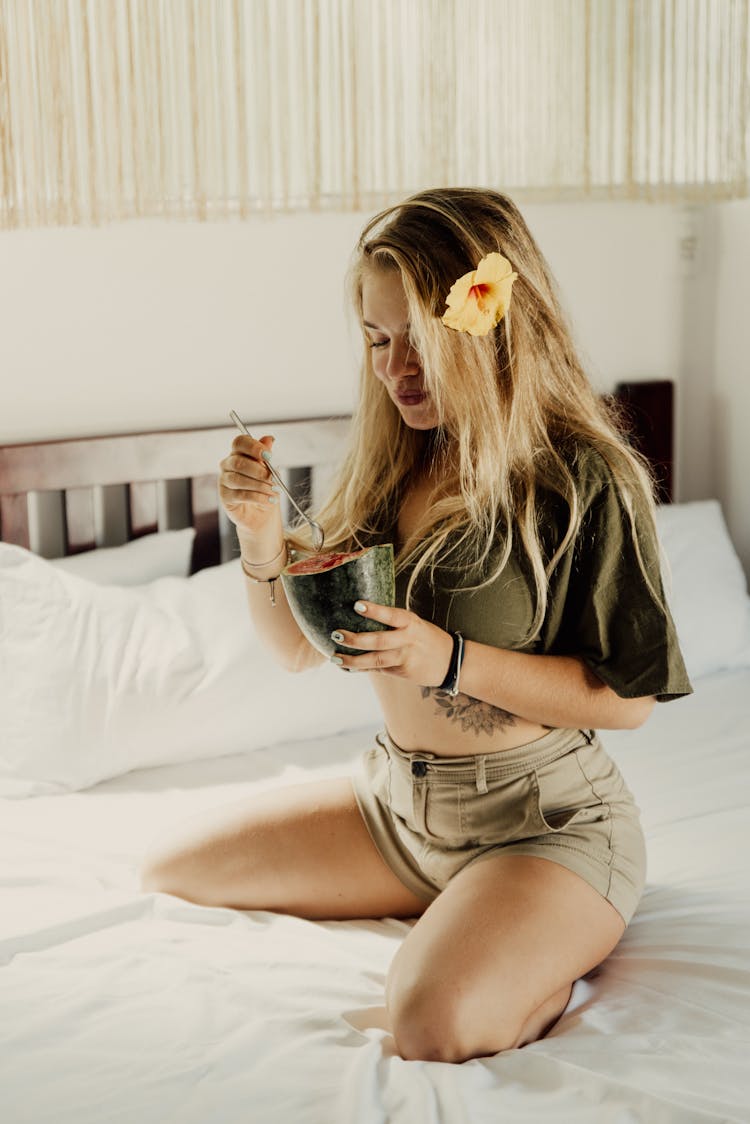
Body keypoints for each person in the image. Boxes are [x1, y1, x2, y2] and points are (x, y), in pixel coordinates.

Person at [140, 188, 692, 1063]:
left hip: (541, 819)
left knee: (430, 1024)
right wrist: (259, 536)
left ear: (490, 324)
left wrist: (448, 657)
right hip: (398, 810)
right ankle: (478, 919)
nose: (397, 368)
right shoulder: (393, 467)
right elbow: (291, 649)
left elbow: (627, 704)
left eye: (421, 340)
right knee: (168, 873)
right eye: (375, 339)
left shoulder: (581, 477)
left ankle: (535, 958)